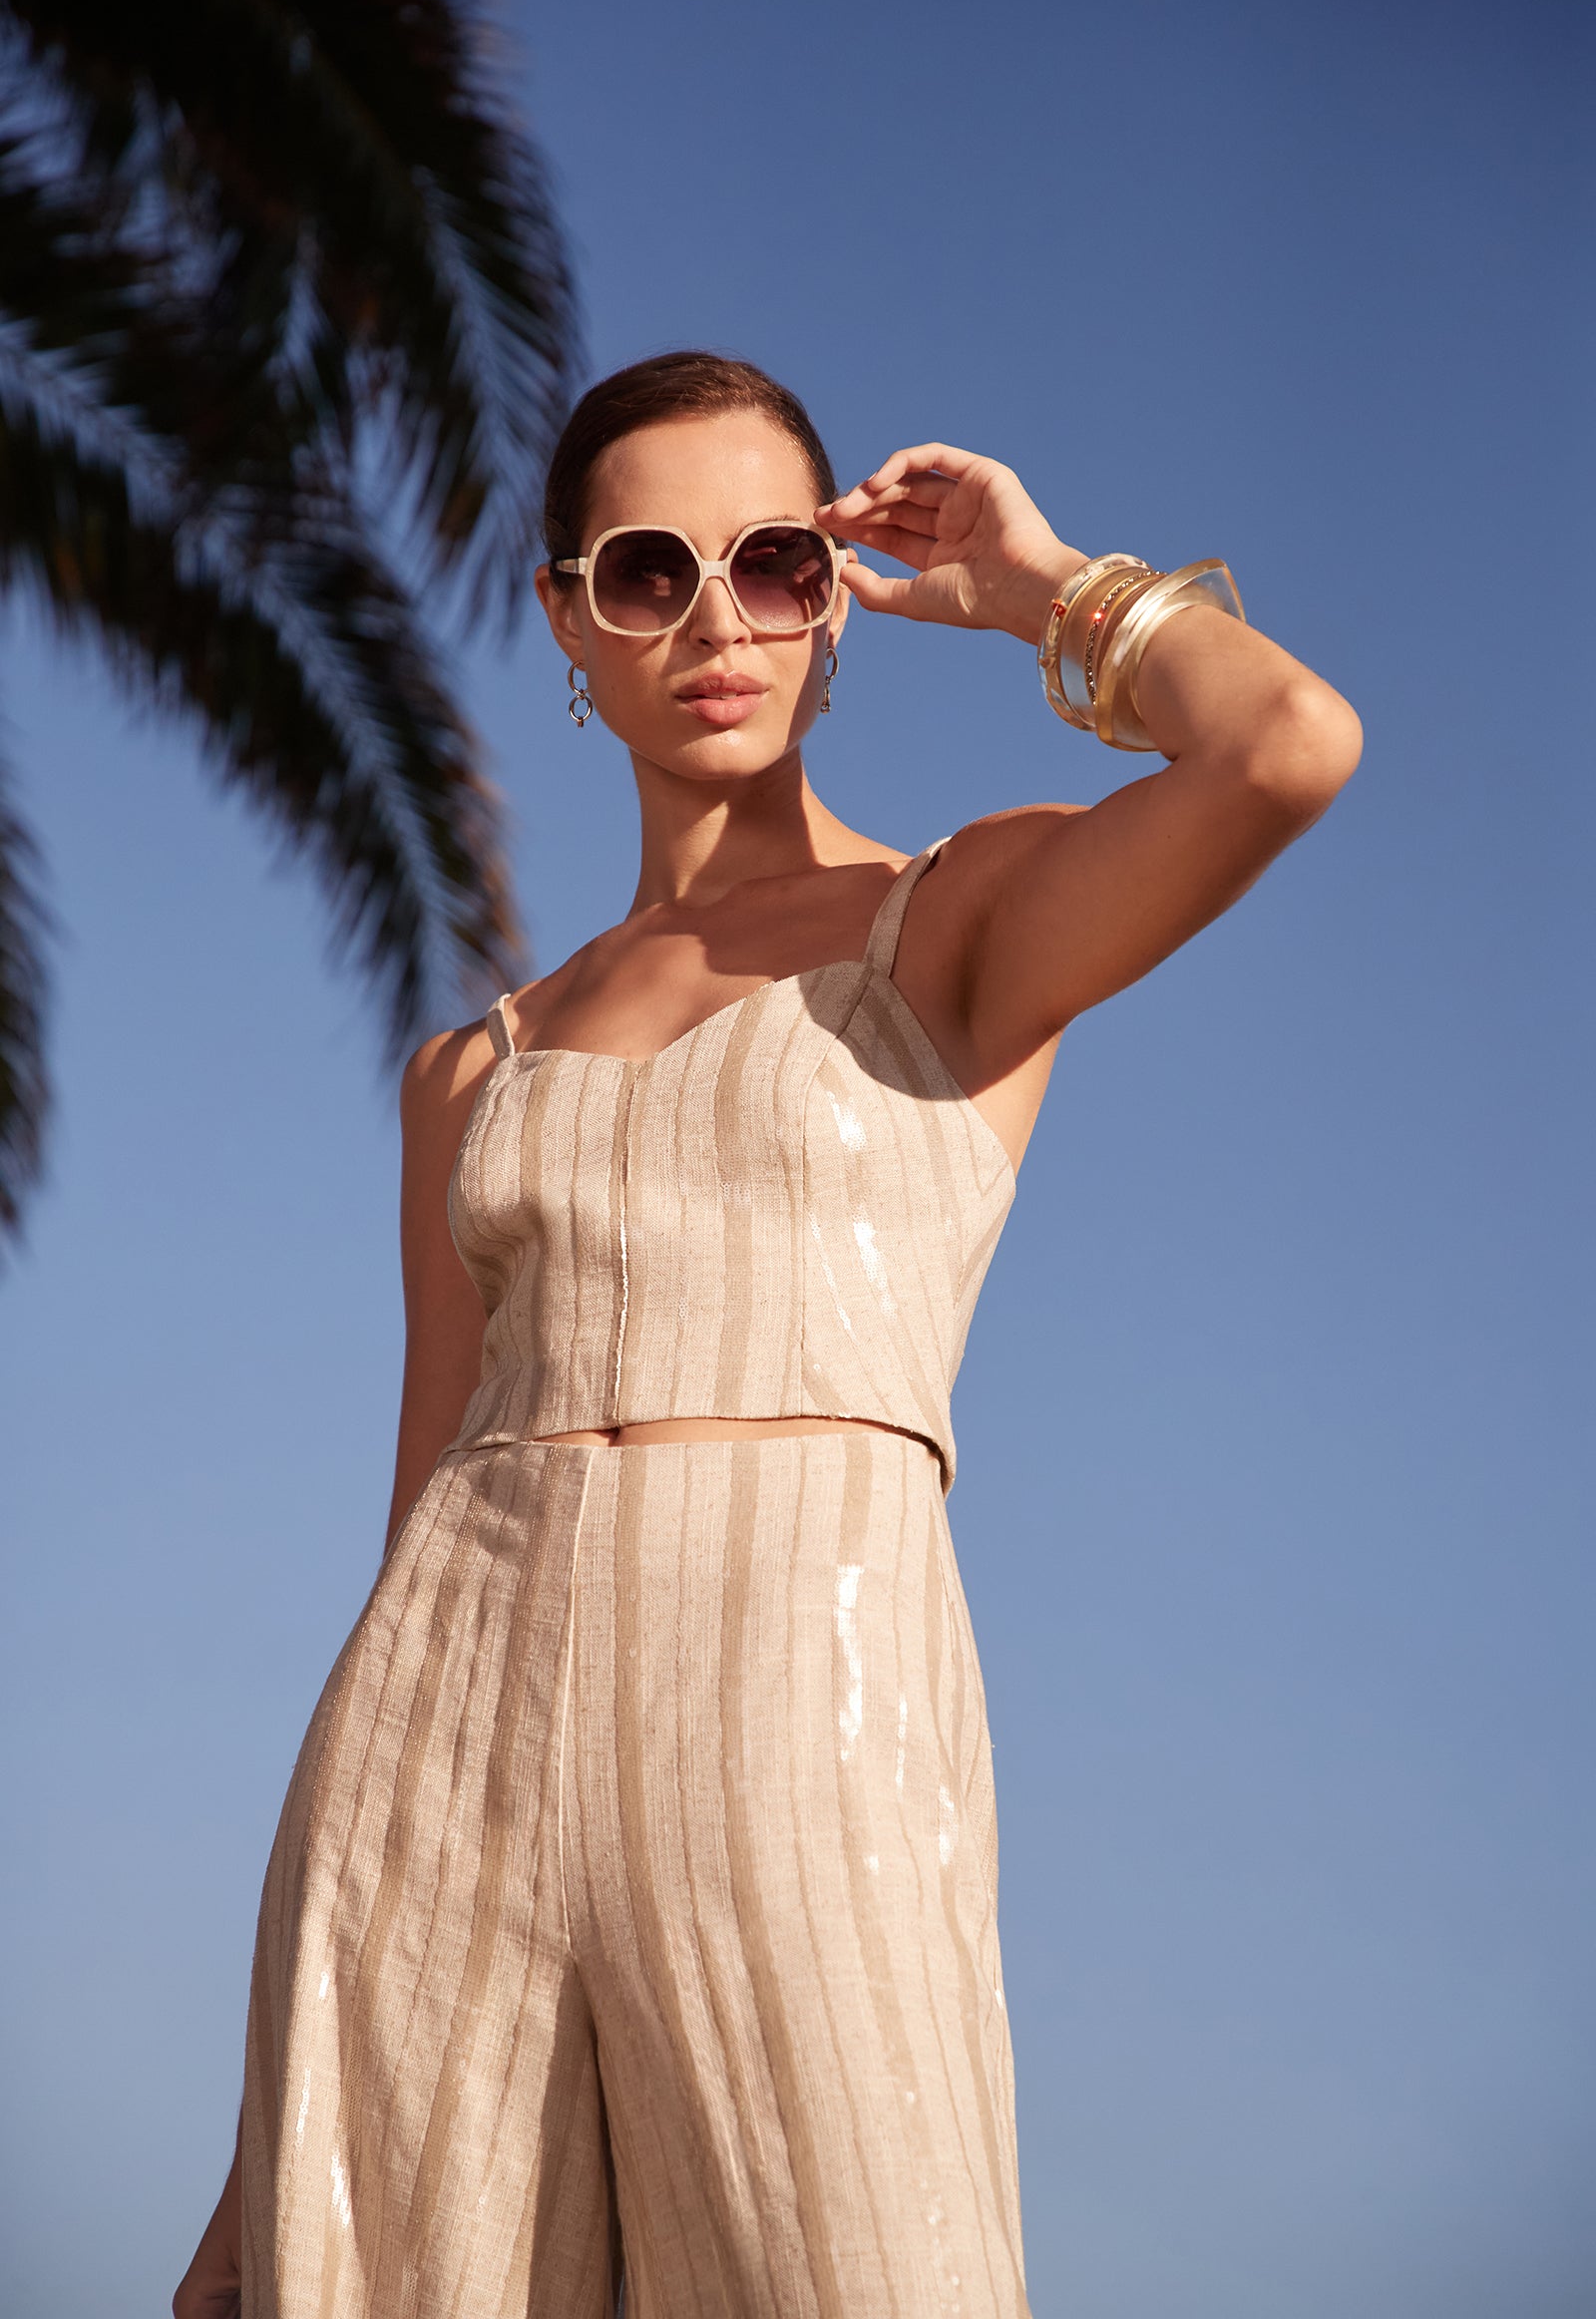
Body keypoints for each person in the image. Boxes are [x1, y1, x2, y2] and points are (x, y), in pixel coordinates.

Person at [174, 348, 1362, 2319]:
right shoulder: (472, 1069)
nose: (713, 618)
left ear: (829, 596)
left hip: (804, 1716)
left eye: (772, 564)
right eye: (646, 572)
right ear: (568, 618)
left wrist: (1032, 576)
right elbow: (419, 1501)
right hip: (443, 1734)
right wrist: (261, 2140)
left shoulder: (957, 917)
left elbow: (1282, 748)